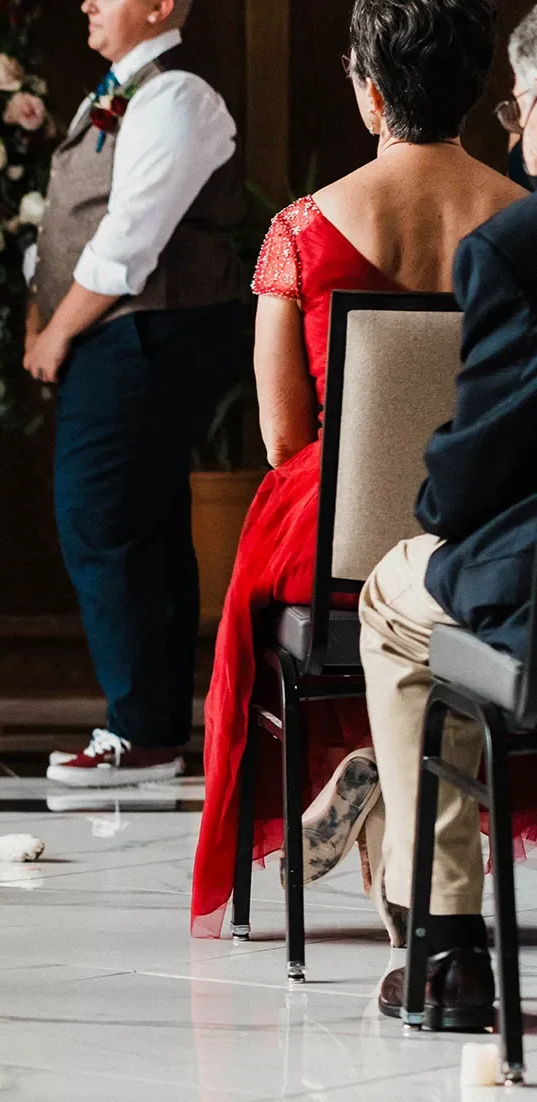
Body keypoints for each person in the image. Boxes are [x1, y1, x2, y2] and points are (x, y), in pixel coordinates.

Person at [190, 0, 521, 940]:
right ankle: (424, 804)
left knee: (269, 586)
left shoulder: (299, 229)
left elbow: (283, 435)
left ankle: (378, 769)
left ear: (371, 95)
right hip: (484, 528)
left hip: (335, 534)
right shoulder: (523, 224)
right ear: (477, 88)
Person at [359, 3, 537, 1030]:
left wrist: (432, 505)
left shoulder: (515, 247)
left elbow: (476, 471)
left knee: (394, 593)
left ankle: (445, 947)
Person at [25, 0, 245, 786]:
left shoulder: (180, 97)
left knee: (103, 512)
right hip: (111, 334)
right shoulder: (114, 92)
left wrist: (58, 333)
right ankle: (150, 729)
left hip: (148, 334)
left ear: (159, 6)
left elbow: (128, 243)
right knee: (136, 520)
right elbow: (64, 223)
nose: (85, 0)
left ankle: (142, 731)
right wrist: (36, 311)